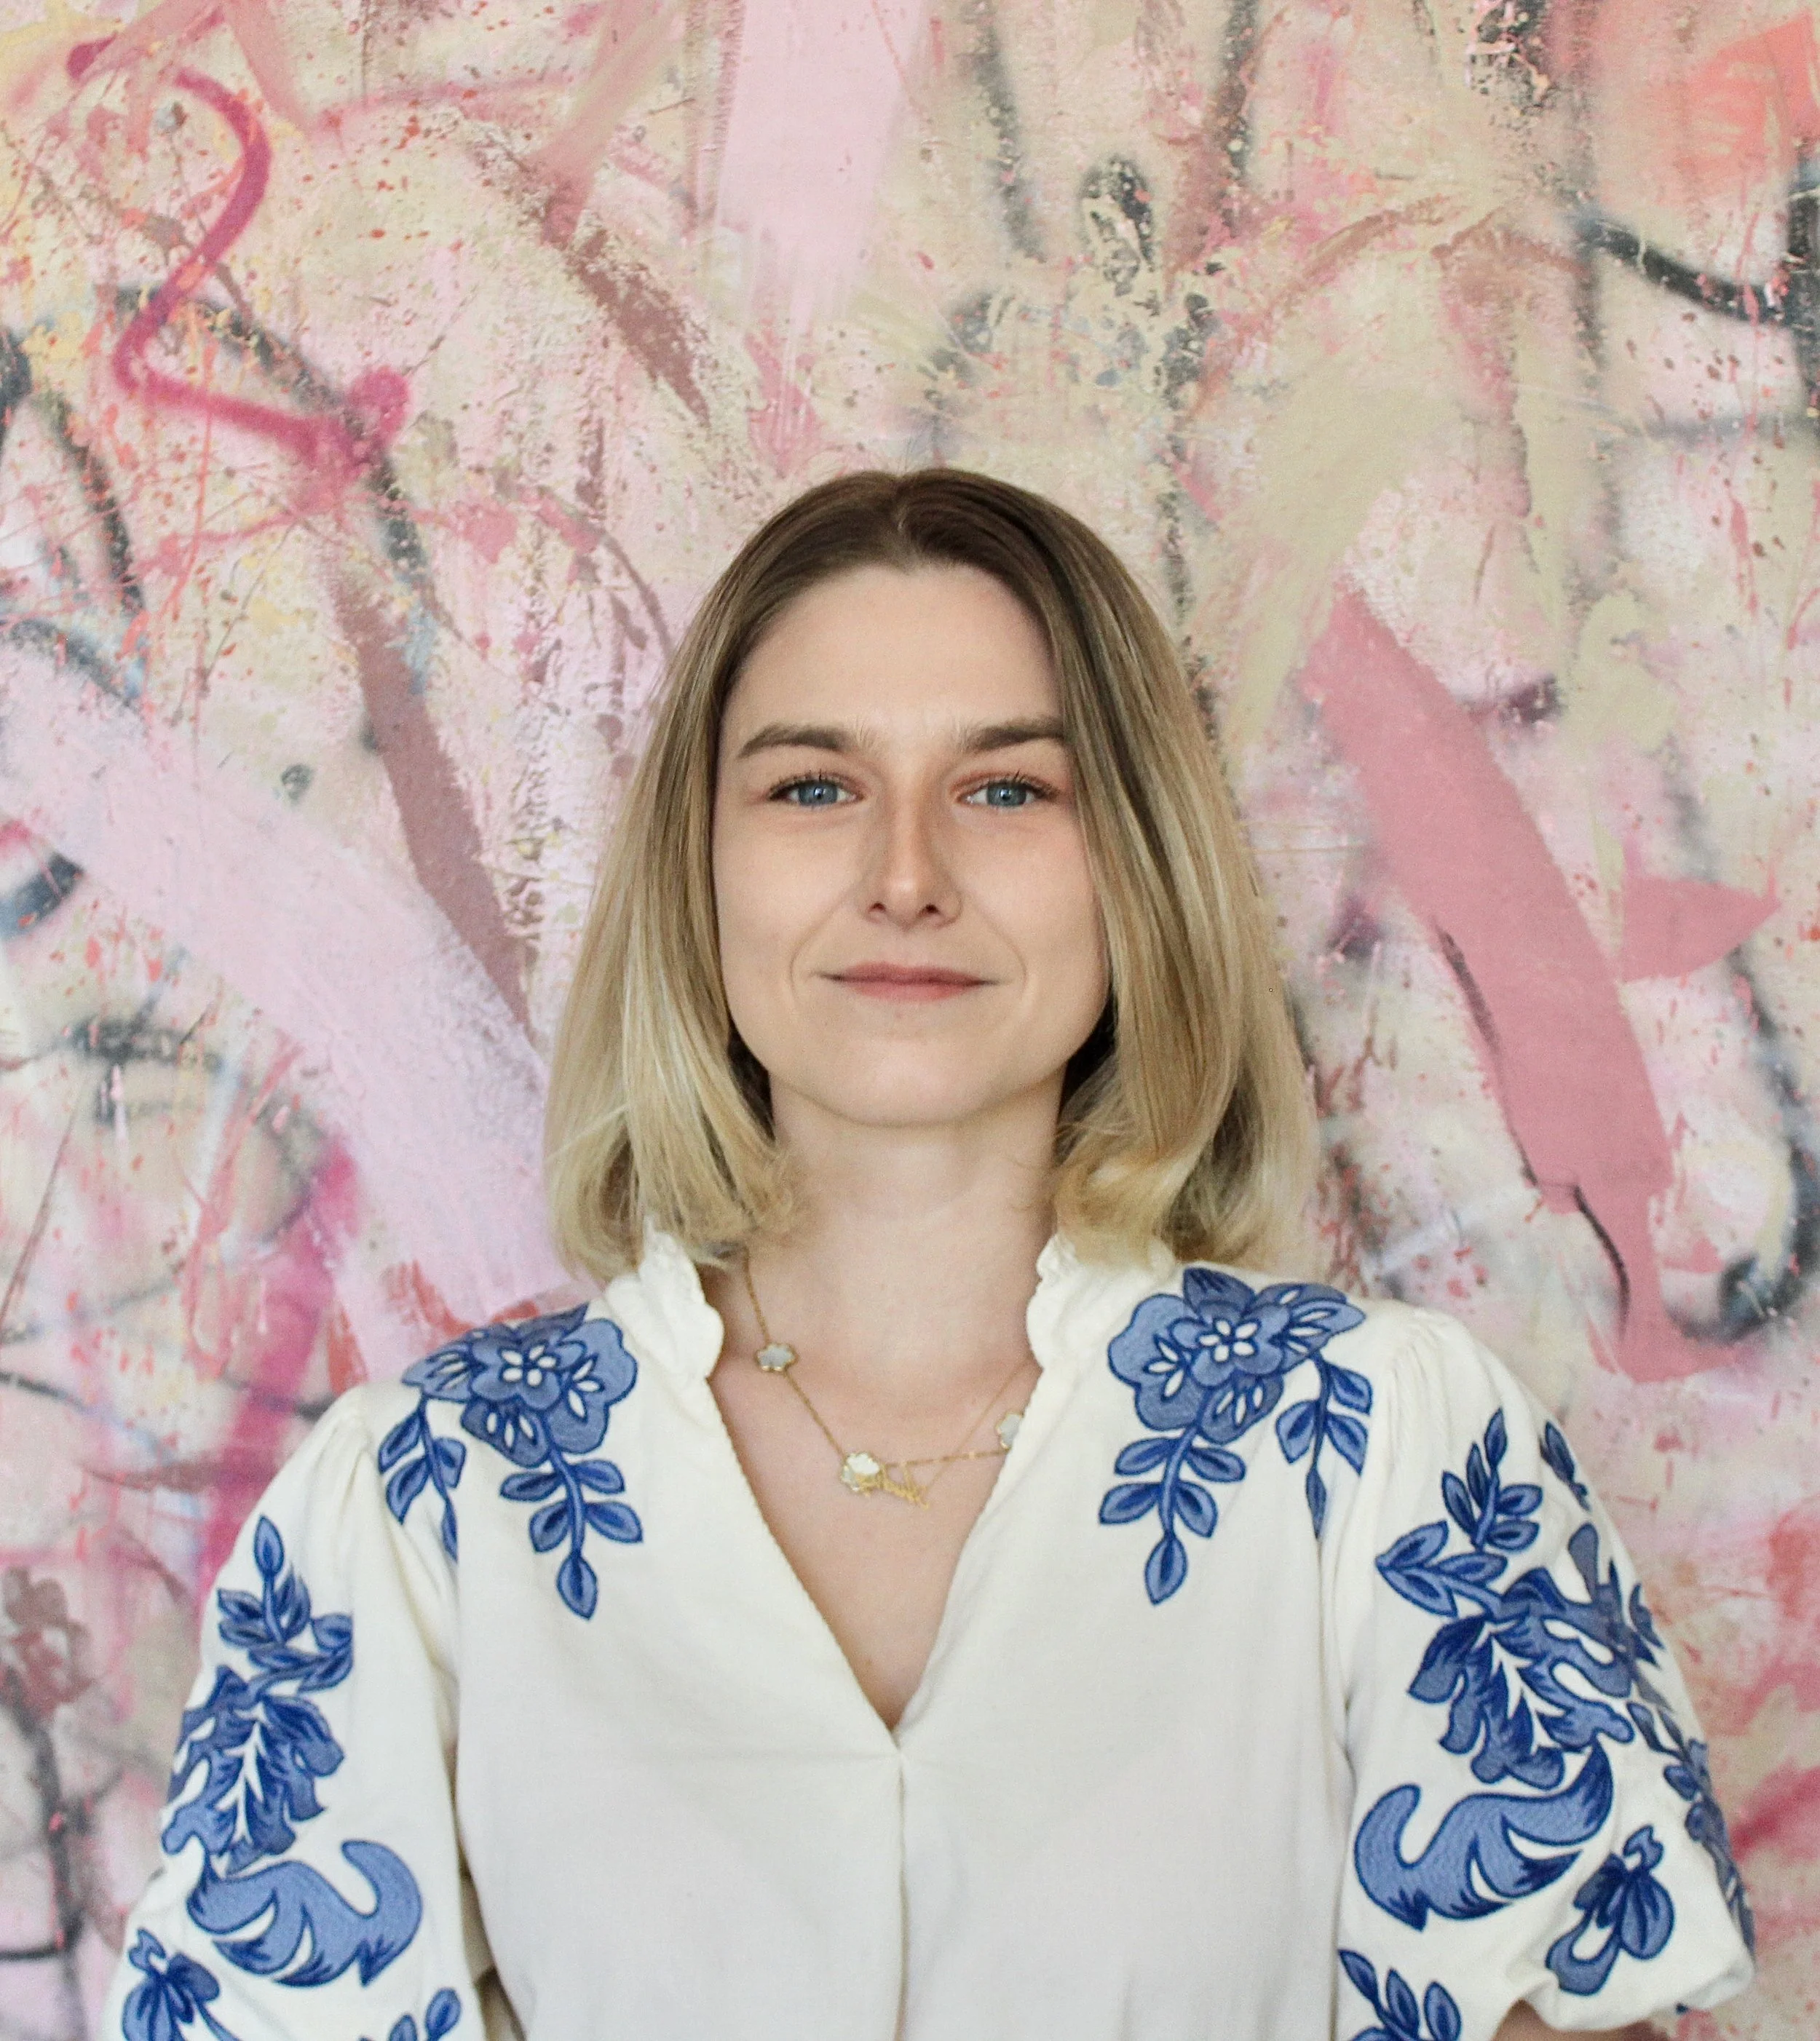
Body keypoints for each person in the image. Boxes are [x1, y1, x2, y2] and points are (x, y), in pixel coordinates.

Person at [102, 469, 1754, 2041]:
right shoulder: (421, 1503)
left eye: (1007, 789)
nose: (904, 876)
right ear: (701, 868)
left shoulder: (1395, 1458)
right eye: (813, 786)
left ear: (1136, 870)